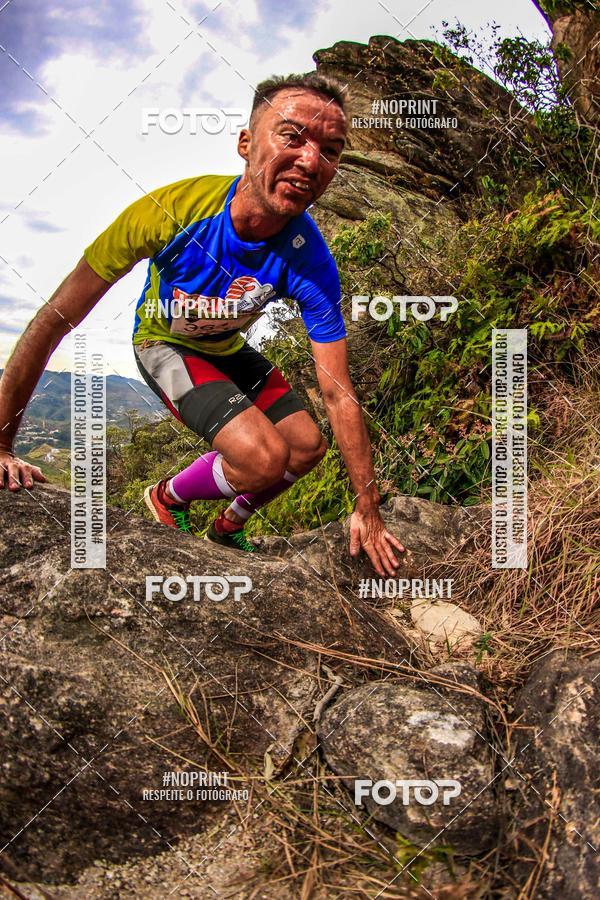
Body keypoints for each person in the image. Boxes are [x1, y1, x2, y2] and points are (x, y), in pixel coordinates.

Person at [0, 72, 404, 577]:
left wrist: (368, 508)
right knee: (261, 459)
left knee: (306, 448)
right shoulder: (169, 213)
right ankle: (167, 497)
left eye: (330, 149)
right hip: (164, 343)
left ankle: (228, 528)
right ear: (245, 143)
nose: (310, 160)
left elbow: (338, 391)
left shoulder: (311, 261)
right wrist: (1, 444)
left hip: (224, 347)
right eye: (292, 136)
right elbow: (53, 321)